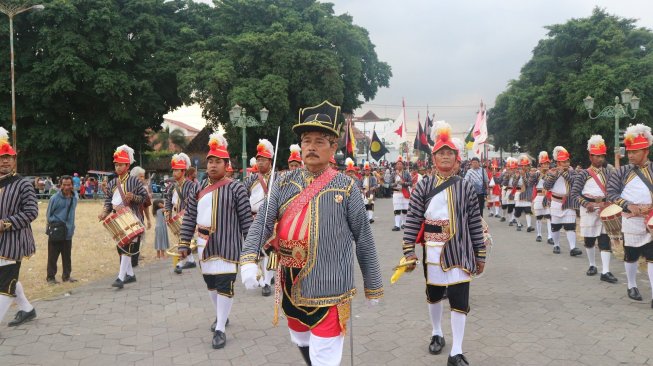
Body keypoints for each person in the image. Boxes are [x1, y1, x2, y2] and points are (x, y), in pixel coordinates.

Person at [240, 100, 383, 366]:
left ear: (333, 147)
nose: (312, 147)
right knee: (302, 342)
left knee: (324, 356)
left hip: (329, 287)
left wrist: (373, 285)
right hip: (290, 284)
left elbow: (364, 237)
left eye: (320, 141)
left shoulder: (347, 187)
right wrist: (248, 257)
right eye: (307, 140)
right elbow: (262, 222)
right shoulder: (283, 182)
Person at [403, 121, 485, 366]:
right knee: (435, 295)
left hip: (460, 250)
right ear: (434, 157)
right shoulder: (423, 185)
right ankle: (437, 332)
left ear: (456, 157)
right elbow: (413, 218)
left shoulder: (467, 186)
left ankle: (456, 351)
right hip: (432, 251)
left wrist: (480, 253)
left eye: (450, 153)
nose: (446, 156)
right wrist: (408, 250)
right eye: (441, 153)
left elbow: (474, 222)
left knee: (460, 300)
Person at [178, 132, 253, 348]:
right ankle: (222, 315)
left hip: (229, 245)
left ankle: (220, 327)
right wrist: (184, 242)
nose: (212, 165)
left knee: (224, 284)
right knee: (211, 284)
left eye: (217, 161)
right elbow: (190, 216)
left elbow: (246, 220)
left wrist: (251, 249)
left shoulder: (237, 188)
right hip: (204, 246)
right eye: (210, 161)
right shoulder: (198, 189)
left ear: (226, 164)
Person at [606, 124, 653, 305]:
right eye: (630, 151)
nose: (631, 155)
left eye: (635, 152)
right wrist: (627, 205)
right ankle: (632, 285)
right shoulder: (621, 172)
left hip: (651, 219)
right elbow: (611, 193)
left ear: (646, 150)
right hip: (631, 220)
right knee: (631, 254)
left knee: (652, 256)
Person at [0, 128, 38, 328]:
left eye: (9, 157)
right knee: (8, 278)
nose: (5, 161)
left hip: (14, 242)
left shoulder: (23, 183)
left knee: (6, 282)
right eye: (1, 157)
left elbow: (32, 212)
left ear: (14, 161)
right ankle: (27, 309)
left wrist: (6, 223)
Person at [98, 145, 149, 289]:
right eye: (116, 164)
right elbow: (108, 200)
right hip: (117, 218)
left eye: (120, 164)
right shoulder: (113, 182)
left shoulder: (135, 181)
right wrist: (104, 212)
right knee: (121, 247)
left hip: (133, 218)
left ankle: (121, 277)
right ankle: (130, 275)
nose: (118, 167)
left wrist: (133, 197)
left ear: (127, 165)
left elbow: (144, 198)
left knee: (127, 245)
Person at [571, 135, 618, 282]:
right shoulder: (583, 174)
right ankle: (592, 265)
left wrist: (609, 203)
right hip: (589, 210)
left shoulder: (608, 172)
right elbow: (574, 193)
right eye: (597, 156)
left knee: (605, 240)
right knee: (589, 240)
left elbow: (613, 190)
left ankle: (606, 271)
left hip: (604, 209)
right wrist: (586, 204)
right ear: (590, 156)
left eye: (602, 156)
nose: (600, 159)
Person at [244, 139, 275, 297]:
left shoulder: (276, 178)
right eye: (258, 160)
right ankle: (262, 281)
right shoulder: (251, 179)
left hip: (270, 219)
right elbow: (242, 194)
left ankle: (268, 281)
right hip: (253, 218)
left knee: (270, 252)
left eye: (263, 160)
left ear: (270, 161)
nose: (260, 162)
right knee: (258, 252)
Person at [543, 146, 582, 256]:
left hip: (569, 201)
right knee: (555, 226)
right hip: (556, 201)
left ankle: (573, 248)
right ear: (558, 163)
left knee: (570, 226)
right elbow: (546, 185)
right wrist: (556, 174)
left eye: (566, 161)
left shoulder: (573, 172)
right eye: (562, 162)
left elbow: (574, 182)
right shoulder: (552, 172)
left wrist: (563, 173)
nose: (565, 164)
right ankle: (556, 245)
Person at [165, 153, 198, 274]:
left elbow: (194, 201)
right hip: (176, 216)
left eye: (177, 170)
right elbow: (168, 200)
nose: (174, 173)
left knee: (183, 240)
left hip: (187, 217)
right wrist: (168, 211)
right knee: (182, 239)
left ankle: (179, 263)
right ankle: (191, 261)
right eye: (173, 170)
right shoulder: (172, 186)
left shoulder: (191, 185)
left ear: (183, 171)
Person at [45, 175, 78, 284]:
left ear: (72, 185)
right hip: (57, 231)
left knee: (67, 256)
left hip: (68, 232)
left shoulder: (75, 197)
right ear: (60, 185)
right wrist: (57, 223)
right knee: (52, 256)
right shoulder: (54, 198)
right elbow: (49, 215)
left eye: (69, 185)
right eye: (64, 185)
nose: (67, 187)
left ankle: (67, 276)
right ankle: (50, 277)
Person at [130, 166, 153, 267]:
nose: (143, 179)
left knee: (138, 240)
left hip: (140, 219)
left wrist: (148, 219)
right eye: (141, 176)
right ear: (134, 177)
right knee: (130, 241)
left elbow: (146, 206)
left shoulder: (144, 190)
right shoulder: (127, 188)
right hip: (129, 220)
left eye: (143, 176)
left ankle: (134, 262)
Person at [530, 152, 554, 244]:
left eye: (547, 163)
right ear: (540, 164)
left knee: (548, 216)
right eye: (544, 163)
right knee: (539, 217)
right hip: (539, 196)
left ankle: (550, 236)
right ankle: (539, 234)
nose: (546, 165)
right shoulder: (537, 174)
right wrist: (534, 175)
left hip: (547, 196)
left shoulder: (551, 173)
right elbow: (530, 184)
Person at [513, 155, 534, 232]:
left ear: (528, 166)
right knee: (517, 212)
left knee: (527, 210)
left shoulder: (530, 175)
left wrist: (523, 176)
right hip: (518, 193)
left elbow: (528, 184)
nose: (524, 167)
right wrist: (518, 177)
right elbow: (514, 185)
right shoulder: (517, 174)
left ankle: (529, 226)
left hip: (527, 193)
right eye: (522, 166)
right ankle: (518, 224)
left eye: (526, 166)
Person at [392, 156, 411, 231]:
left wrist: (404, 183)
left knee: (405, 209)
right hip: (396, 193)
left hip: (404, 193)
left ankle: (404, 224)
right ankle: (397, 225)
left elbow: (410, 183)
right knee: (397, 210)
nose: (399, 165)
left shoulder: (406, 173)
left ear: (403, 165)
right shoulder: (393, 174)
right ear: (396, 165)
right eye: (398, 164)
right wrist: (395, 183)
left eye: (400, 164)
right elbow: (389, 184)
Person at [500, 157, 518, 225]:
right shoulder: (505, 173)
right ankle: (508, 218)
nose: (513, 170)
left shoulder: (518, 175)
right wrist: (507, 177)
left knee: (515, 206)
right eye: (511, 168)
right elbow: (502, 182)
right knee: (507, 205)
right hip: (507, 190)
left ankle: (513, 218)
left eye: (514, 168)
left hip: (516, 191)